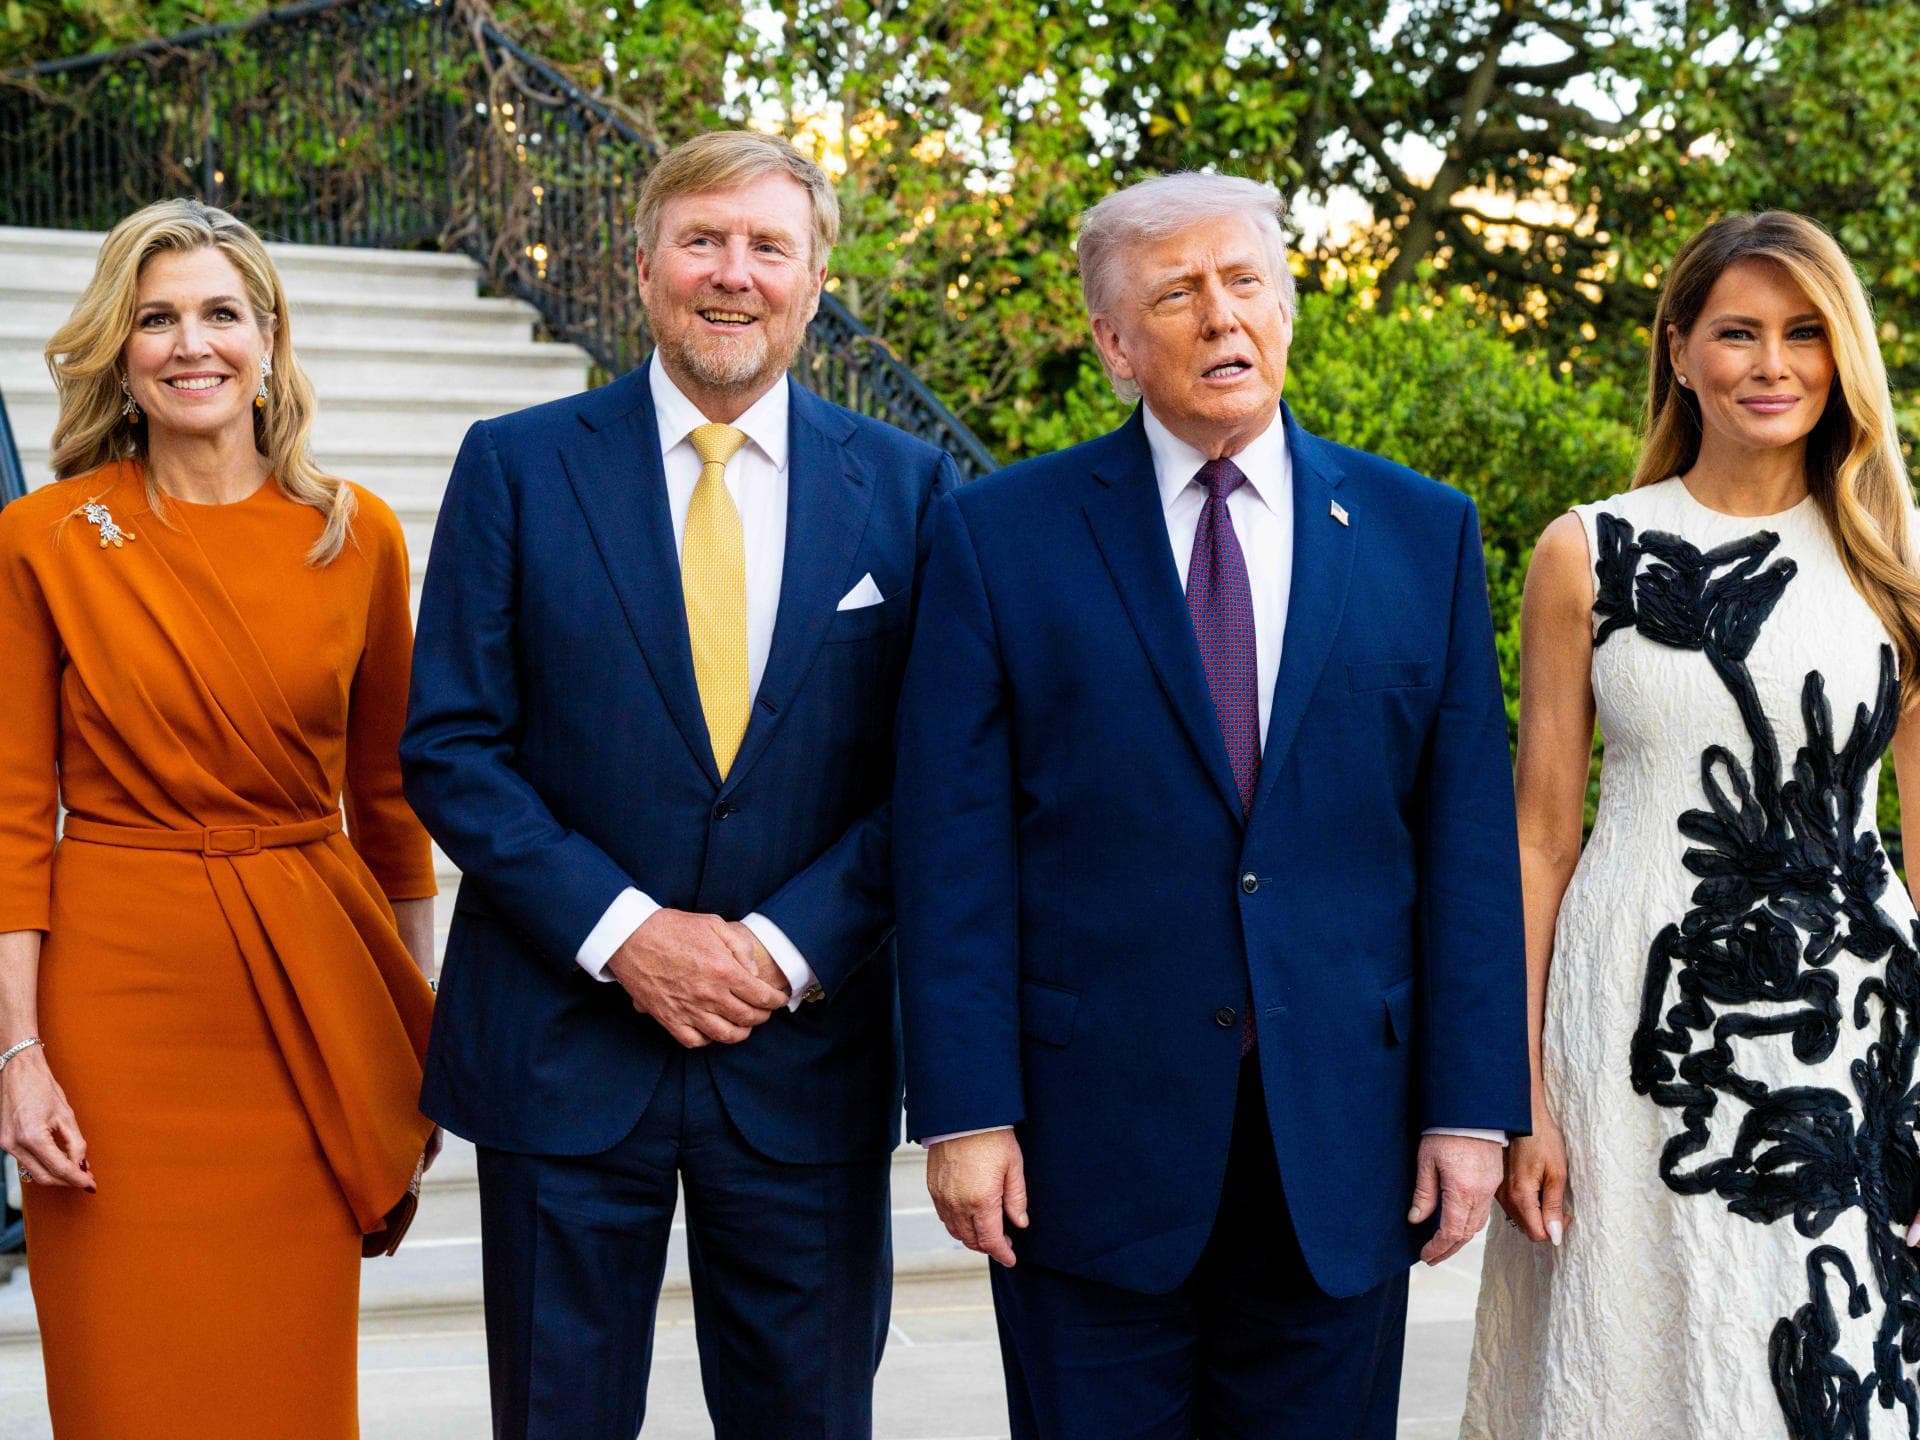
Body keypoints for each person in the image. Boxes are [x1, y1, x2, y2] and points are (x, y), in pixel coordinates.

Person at [892, 171, 1530, 1440]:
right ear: (1117, 344)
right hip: (1085, 1152)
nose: (1221, 317)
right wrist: (965, 1110)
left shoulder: (1422, 531)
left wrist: (1472, 1108)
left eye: (1245, 283)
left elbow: (1464, 843)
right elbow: (950, 848)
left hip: (1344, 1145)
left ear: (1287, 312)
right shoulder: (996, 537)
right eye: (1178, 295)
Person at [400, 129, 956, 1440]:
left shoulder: (913, 491)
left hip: (803, 1052)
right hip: (562, 1040)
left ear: (818, 280)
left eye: (769, 246)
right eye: (702, 239)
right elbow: (453, 747)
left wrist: (777, 949)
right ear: (641, 264)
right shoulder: (517, 468)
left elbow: (936, 776)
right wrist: (627, 934)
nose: (732, 274)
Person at [1461, 212, 1920, 1438]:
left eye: (1805, 333)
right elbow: (1539, 838)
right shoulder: (1587, 553)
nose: (1773, 364)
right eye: (1737, 332)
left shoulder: (1896, 563)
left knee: (1835, 1365)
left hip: (1854, 1038)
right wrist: (1525, 1090)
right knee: (1639, 1356)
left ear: (1844, 358)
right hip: (1634, 1027)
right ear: (1678, 350)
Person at [0, 198, 438, 1439]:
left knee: (286, 1381)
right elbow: (12, 818)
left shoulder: (356, 537)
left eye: (219, 314)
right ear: (120, 354)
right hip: (115, 1017)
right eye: (156, 319)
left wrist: (413, 1020)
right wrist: (15, 1054)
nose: (192, 344)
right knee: (127, 1384)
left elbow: (393, 805)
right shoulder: (41, 540)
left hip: (308, 999)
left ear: (268, 338)